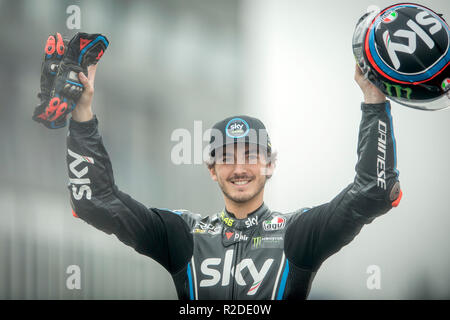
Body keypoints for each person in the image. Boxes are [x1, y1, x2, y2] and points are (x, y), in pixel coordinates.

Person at [66, 63, 401, 300]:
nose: (239, 167)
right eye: (227, 157)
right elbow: (94, 200)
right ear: (211, 169)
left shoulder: (298, 232)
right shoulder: (183, 234)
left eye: (251, 156)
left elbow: (373, 191)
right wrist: (82, 112)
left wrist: (374, 99)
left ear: (270, 165)